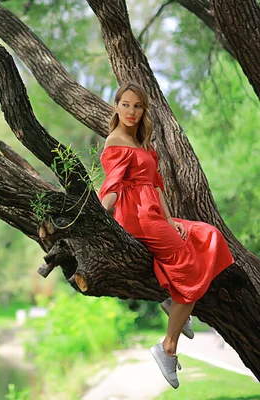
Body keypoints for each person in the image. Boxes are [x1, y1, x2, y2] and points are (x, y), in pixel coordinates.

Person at [98, 82, 234, 389]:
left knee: (208, 235)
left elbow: (156, 185)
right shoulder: (115, 141)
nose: (131, 111)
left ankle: (175, 304)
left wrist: (171, 219)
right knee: (187, 261)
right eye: (126, 104)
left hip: (155, 214)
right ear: (116, 106)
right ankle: (168, 346)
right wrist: (97, 218)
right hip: (137, 216)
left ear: (143, 110)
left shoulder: (144, 145)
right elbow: (113, 186)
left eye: (137, 106)